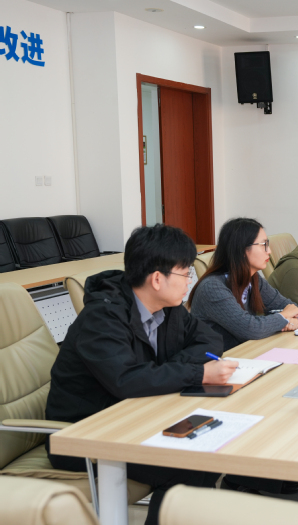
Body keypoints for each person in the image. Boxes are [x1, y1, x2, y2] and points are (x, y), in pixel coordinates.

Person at [45, 224, 236, 525]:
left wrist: (173, 370)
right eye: (185, 273)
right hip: (82, 434)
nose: (189, 281)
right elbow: (127, 380)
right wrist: (196, 373)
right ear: (157, 279)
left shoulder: (168, 307)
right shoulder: (103, 318)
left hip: (134, 418)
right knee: (190, 467)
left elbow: (209, 339)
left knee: (207, 454)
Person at [189, 218, 298, 351]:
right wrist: (283, 318)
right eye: (263, 245)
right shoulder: (212, 288)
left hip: (246, 352)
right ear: (242, 250)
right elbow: (250, 328)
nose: (269, 251)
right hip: (217, 359)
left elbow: (290, 307)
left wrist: (290, 319)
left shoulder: (253, 279)